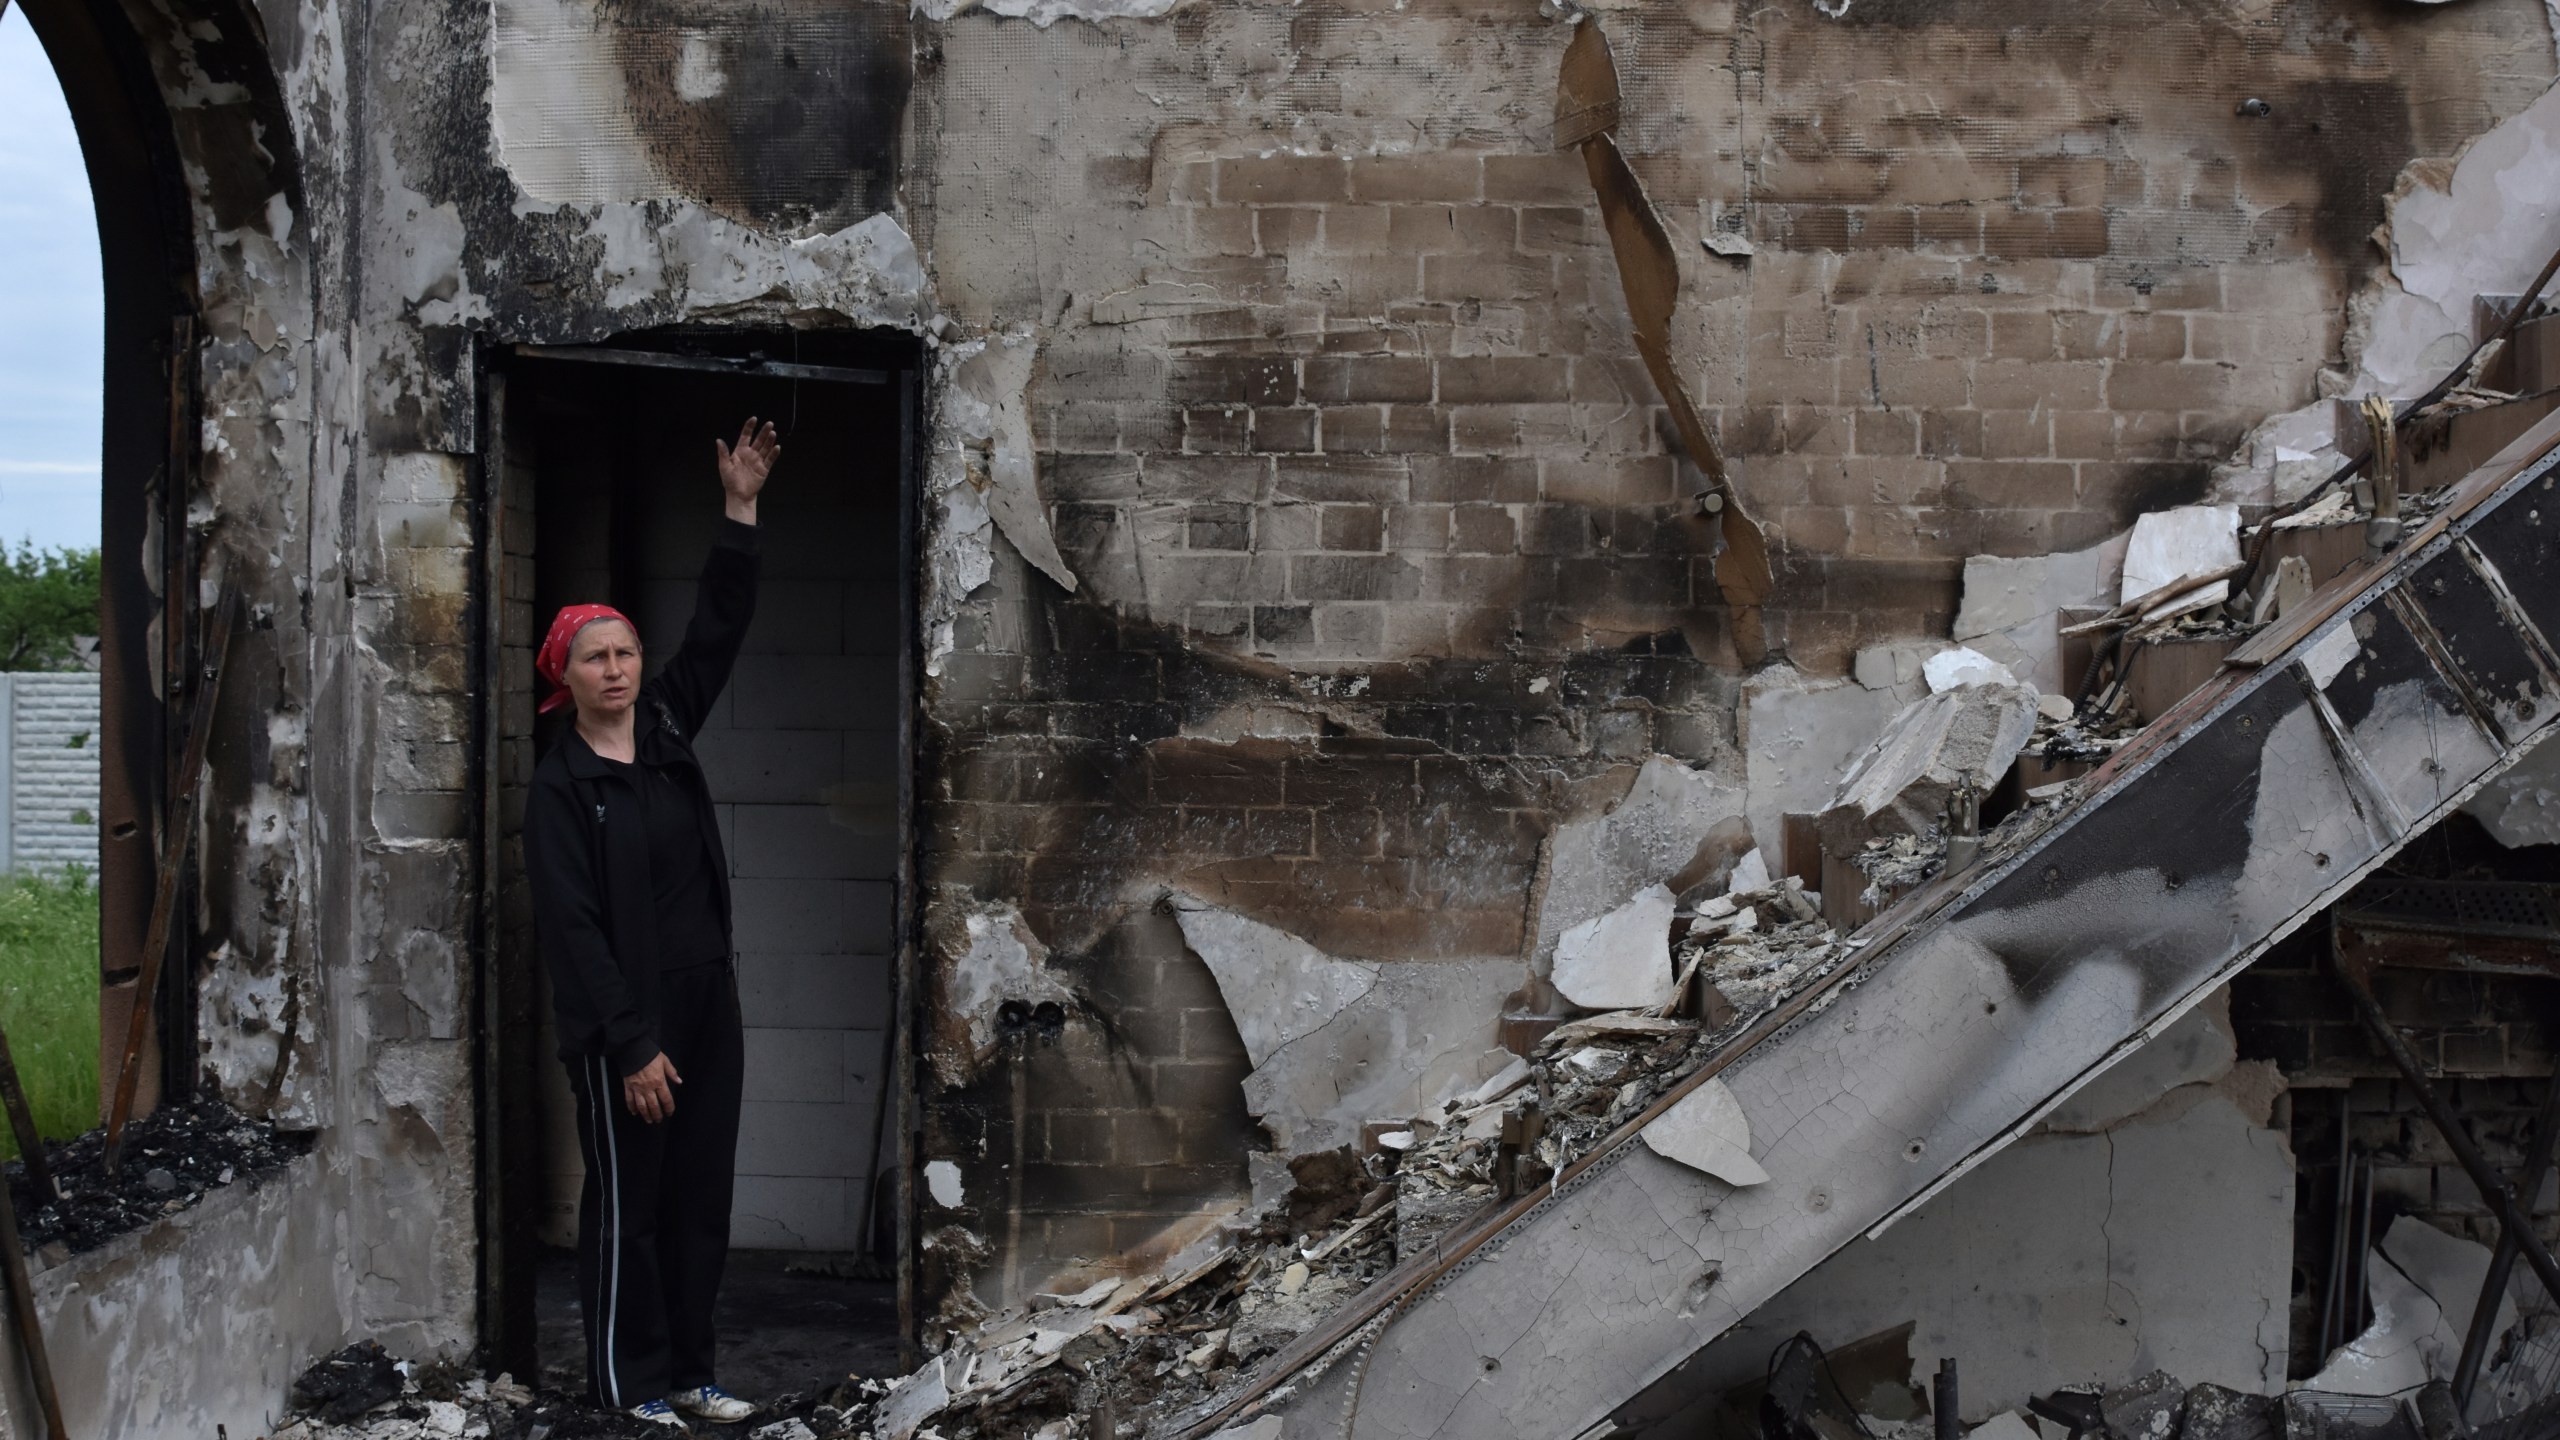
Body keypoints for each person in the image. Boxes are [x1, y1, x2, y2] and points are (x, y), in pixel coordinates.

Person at [524, 417, 781, 1429]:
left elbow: (717, 629)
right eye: (596, 658)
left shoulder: (668, 725)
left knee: (698, 1204)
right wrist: (631, 1044)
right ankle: (627, 1388)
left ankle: (691, 1372)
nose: (619, 670)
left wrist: (740, 509)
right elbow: (572, 931)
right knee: (631, 1209)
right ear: (566, 677)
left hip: (706, 1000)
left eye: (626, 651)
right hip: (627, 1026)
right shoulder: (562, 787)